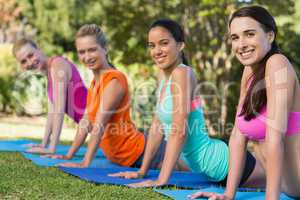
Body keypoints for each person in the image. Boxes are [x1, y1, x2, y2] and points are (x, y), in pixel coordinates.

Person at [109, 19, 265, 188]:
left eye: (164, 43)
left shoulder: (182, 73)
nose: (157, 51)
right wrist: (142, 171)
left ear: (180, 45)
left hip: (224, 164)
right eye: (152, 45)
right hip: (212, 169)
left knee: (286, 185)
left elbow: (179, 130)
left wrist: (161, 179)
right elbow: (157, 127)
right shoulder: (164, 76)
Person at [189, 5, 300, 200]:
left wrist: (271, 198)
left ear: (270, 36)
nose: (241, 44)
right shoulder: (249, 72)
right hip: (288, 189)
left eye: (249, 34)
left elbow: (275, 138)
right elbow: (238, 136)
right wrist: (228, 195)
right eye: (235, 37)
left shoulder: (278, 64)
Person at [46, 24, 166, 169]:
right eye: (82, 52)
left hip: (141, 152)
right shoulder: (95, 82)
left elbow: (99, 124)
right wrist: (69, 155)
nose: (87, 56)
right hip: (123, 157)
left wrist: (85, 163)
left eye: (92, 50)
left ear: (105, 49)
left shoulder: (114, 80)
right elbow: (86, 121)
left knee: (186, 171)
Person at [13, 38, 87, 154]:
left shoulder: (58, 65)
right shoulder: (50, 73)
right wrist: (44, 144)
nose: (30, 62)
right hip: (101, 132)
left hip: (110, 128)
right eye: (23, 61)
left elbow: (59, 110)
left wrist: (51, 149)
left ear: (39, 48)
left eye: (31, 55)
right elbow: (52, 113)